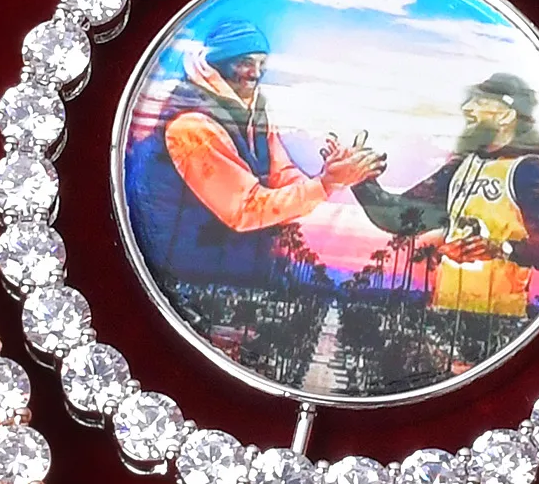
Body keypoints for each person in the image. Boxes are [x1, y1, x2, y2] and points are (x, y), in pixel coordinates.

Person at [124, 17, 383, 287]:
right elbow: (244, 209)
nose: (256, 73)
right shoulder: (191, 126)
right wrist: (324, 185)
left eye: (261, 64)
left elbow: (281, 176)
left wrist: (329, 176)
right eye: (245, 62)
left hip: (229, 272)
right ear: (219, 63)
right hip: (185, 276)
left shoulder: (251, 112)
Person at [348, 71, 539, 363]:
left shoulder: (529, 171)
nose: (468, 109)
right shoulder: (460, 168)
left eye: (480, 102)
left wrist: (502, 247)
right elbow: (402, 216)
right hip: (443, 319)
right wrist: (360, 180)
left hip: (497, 324)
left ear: (506, 115)